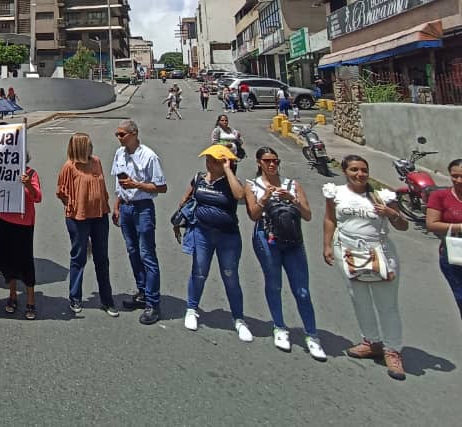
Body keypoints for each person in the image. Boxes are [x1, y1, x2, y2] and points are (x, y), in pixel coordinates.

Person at [323, 155, 409, 379]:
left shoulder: (383, 195)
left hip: (380, 252)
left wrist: (392, 214)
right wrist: (327, 246)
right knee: (358, 298)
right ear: (344, 171)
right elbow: (330, 219)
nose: (359, 174)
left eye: (363, 170)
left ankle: (393, 350)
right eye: (354, 170)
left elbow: (403, 226)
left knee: (386, 304)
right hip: (348, 252)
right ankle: (371, 342)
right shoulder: (336, 193)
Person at [244, 147, 325, 360]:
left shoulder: (293, 184)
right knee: (274, 283)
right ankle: (279, 327)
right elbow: (253, 214)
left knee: (302, 290)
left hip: (293, 239)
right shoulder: (252, 185)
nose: (272, 164)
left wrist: (293, 199)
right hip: (266, 238)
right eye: (267, 160)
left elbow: (308, 215)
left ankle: (311, 334)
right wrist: (265, 198)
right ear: (259, 162)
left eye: (275, 161)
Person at [175, 145, 250, 341]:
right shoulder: (199, 178)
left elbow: (240, 196)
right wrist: (180, 217)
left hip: (228, 236)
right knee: (198, 272)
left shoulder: (231, 182)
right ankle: (192, 309)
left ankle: (239, 318)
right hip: (202, 233)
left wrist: (227, 169)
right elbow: (186, 198)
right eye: (208, 159)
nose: (209, 163)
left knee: (230, 275)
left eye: (214, 160)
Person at [110, 119, 167, 325]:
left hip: (142, 208)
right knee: (132, 251)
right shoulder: (119, 154)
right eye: (117, 134)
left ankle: (153, 302)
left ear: (133, 134)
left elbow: (161, 187)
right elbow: (120, 182)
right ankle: (142, 292)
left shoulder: (149, 156)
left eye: (122, 134)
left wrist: (137, 185)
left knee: (147, 254)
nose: (119, 138)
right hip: (125, 206)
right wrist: (117, 206)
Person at [57, 132, 118, 316]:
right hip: (78, 218)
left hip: (99, 215)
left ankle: (107, 300)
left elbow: (102, 186)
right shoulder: (69, 167)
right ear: (80, 147)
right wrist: (73, 206)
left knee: (102, 258)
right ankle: (75, 297)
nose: (92, 147)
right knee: (79, 257)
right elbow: (61, 191)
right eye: (89, 144)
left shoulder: (96, 161)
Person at [0, 151, 42, 320]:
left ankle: (31, 300)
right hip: (3, 220)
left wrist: (28, 185)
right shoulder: (2, 172)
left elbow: (38, 197)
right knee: (8, 261)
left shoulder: (31, 174)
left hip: (24, 223)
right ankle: (12, 295)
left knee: (25, 261)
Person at [425, 158, 462, 319]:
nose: (459, 180)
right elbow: (432, 224)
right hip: (454, 255)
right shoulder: (440, 196)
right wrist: (459, 227)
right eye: (455, 176)